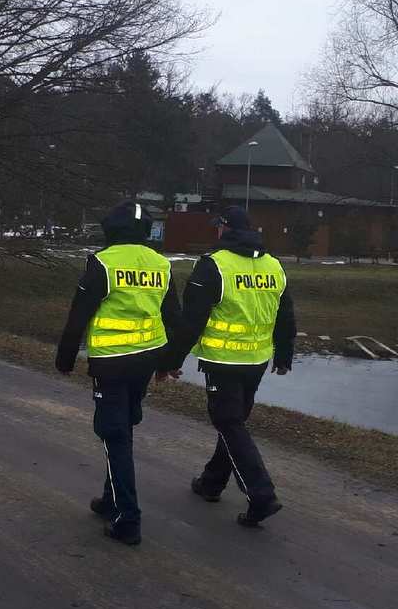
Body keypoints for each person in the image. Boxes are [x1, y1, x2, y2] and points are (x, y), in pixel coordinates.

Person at [159, 206, 296, 528]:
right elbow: (286, 314)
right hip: (256, 361)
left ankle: (260, 494)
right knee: (232, 423)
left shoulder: (213, 266)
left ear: (223, 229)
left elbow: (191, 322)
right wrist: (284, 355)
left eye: (217, 227)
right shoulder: (273, 266)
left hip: (223, 361)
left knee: (229, 423)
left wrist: (169, 362)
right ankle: (211, 482)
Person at [55, 200, 180, 546]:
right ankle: (111, 499)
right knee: (123, 428)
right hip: (146, 359)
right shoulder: (161, 264)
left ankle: (128, 518)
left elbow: (78, 316)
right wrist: (168, 362)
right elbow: (173, 316)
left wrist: (65, 359)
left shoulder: (102, 263)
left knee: (114, 434)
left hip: (111, 361)